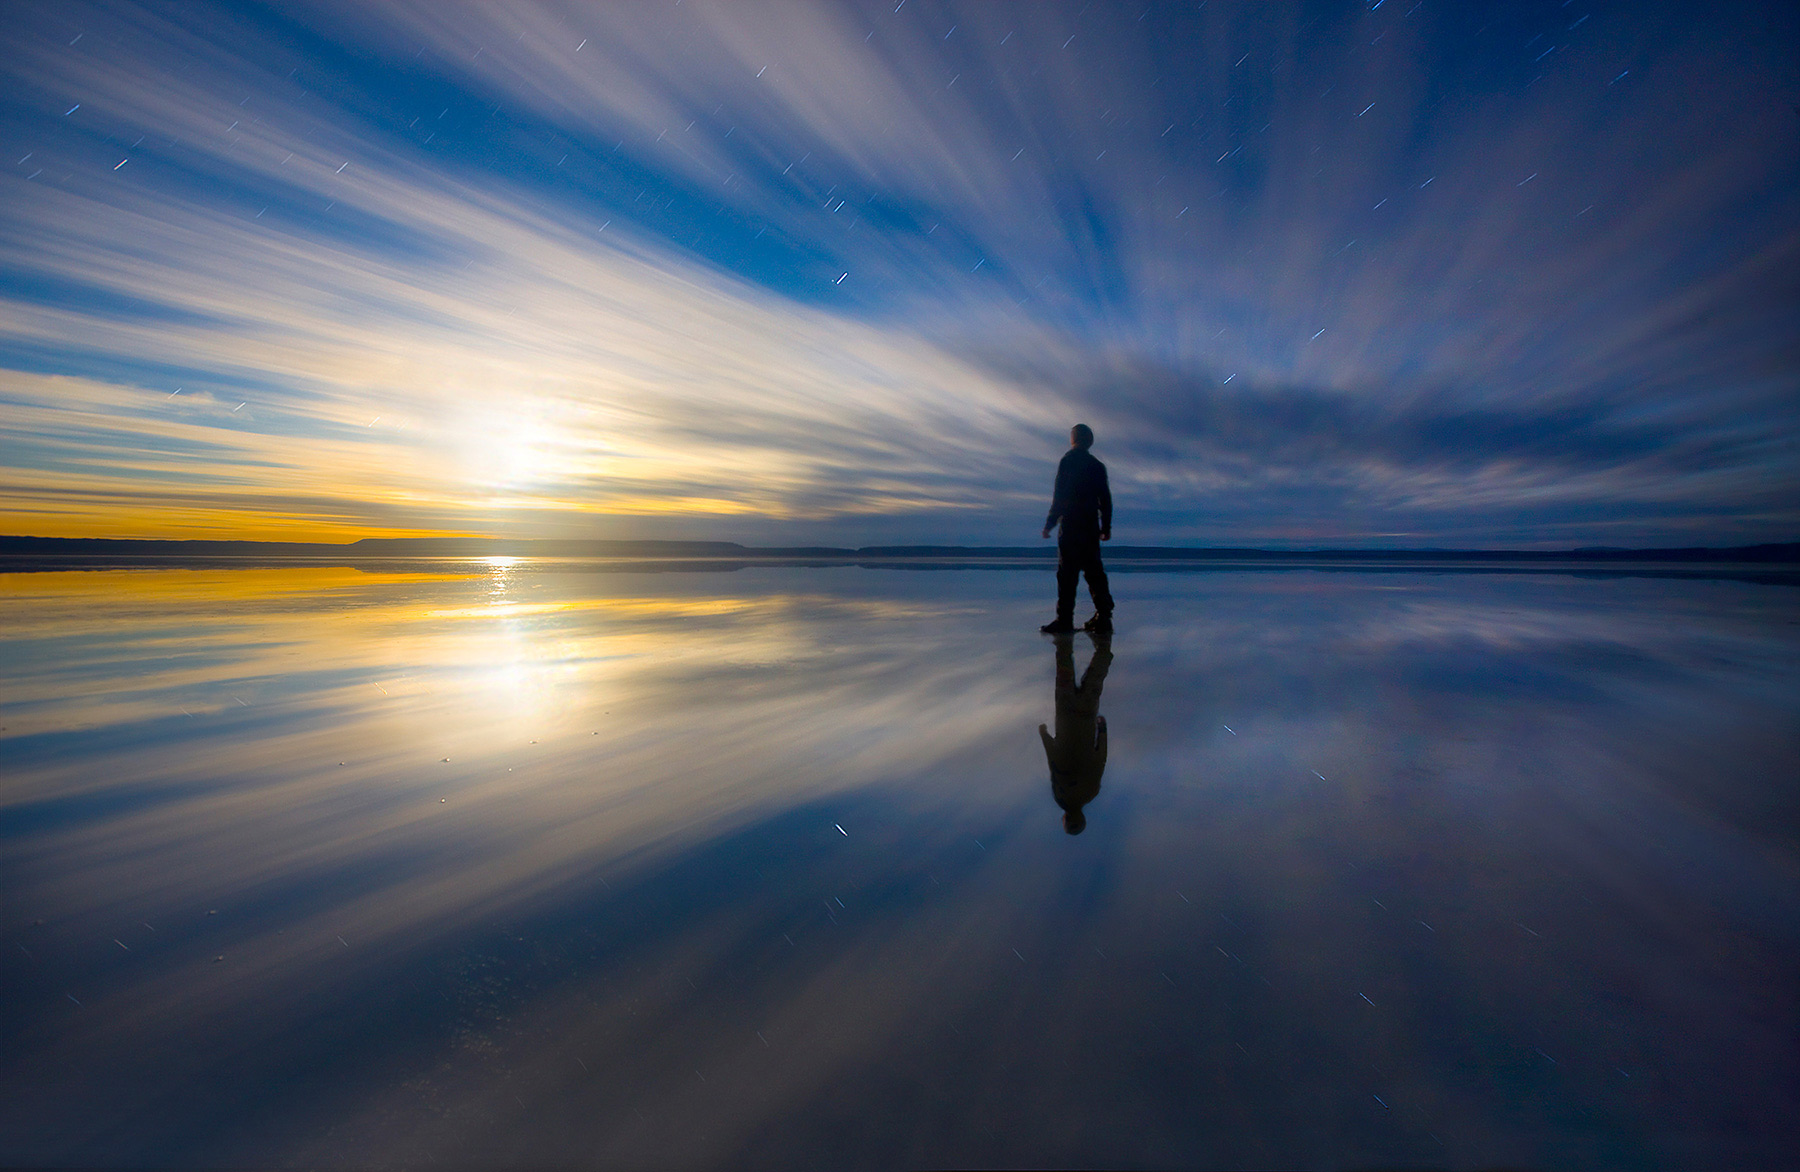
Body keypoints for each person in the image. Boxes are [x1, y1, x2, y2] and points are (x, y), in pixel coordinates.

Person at [1040, 423, 1114, 634]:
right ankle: (1104, 618)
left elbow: (1060, 496)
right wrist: (1105, 526)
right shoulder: (1097, 466)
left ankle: (1064, 620)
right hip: (1090, 527)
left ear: (1074, 439)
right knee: (1094, 573)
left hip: (1072, 527)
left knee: (1067, 575)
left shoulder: (1068, 461)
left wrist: (1049, 523)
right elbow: (1105, 499)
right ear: (1089, 442)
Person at [1039, 631, 1111, 835]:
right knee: (1064, 667)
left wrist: (1102, 730)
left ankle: (1104, 645)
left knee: (1096, 674)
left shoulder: (1091, 792)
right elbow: (1054, 760)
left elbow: (1100, 757)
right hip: (1066, 714)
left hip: (1086, 717)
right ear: (1065, 819)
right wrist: (1044, 735)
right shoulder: (1061, 795)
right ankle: (1065, 637)